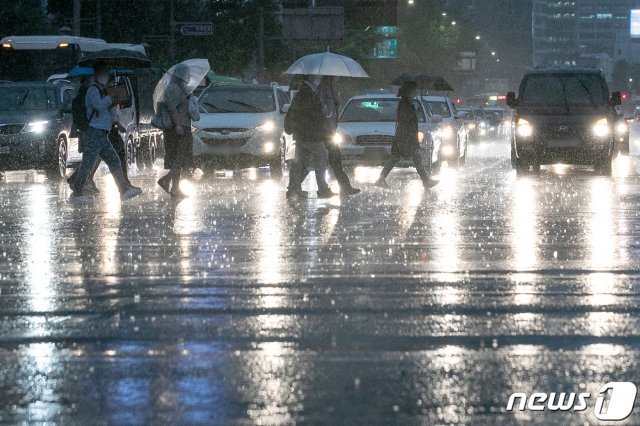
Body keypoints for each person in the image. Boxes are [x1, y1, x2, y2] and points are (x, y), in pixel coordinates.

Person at [69, 61, 142, 203]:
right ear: (97, 73)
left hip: (102, 133)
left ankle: (124, 190)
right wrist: (110, 98)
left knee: (114, 160)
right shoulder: (93, 90)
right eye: (104, 72)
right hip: (94, 132)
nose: (107, 75)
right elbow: (97, 105)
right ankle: (77, 193)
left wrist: (116, 122)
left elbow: (109, 111)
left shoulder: (102, 89)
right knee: (87, 164)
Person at [301, 76, 360, 196]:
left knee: (326, 160)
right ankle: (296, 187)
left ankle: (344, 187)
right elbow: (324, 109)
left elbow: (332, 106)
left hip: (329, 130)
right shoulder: (322, 89)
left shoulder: (328, 88)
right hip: (324, 131)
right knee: (319, 160)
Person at [375, 81, 438, 189]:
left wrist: (415, 111)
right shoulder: (405, 103)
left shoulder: (407, 102)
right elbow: (405, 120)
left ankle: (381, 179)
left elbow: (408, 118)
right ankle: (426, 181)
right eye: (414, 90)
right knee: (413, 158)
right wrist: (413, 114)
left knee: (399, 158)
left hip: (405, 136)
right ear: (409, 91)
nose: (416, 92)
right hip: (405, 137)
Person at [285, 74, 335, 200]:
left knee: (300, 161)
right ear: (311, 78)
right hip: (310, 134)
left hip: (305, 133)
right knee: (321, 158)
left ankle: (293, 189)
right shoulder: (306, 92)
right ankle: (322, 188)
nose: (319, 78)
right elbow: (308, 114)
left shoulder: (307, 91)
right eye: (317, 76)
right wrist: (321, 114)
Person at [156, 66, 194, 199]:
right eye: (187, 74)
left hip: (183, 126)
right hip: (177, 128)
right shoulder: (172, 89)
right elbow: (173, 109)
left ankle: (175, 188)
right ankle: (166, 180)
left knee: (179, 158)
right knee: (179, 157)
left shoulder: (183, 89)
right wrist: (178, 125)